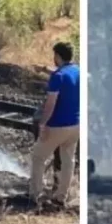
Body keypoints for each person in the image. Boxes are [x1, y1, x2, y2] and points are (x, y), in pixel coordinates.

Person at [28, 42, 80, 204]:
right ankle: (61, 197)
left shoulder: (58, 77)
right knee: (68, 161)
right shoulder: (78, 71)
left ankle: (36, 195)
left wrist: (43, 124)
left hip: (57, 126)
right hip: (76, 125)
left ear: (57, 56)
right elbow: (63, 75)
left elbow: (50, 104)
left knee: (38, 157)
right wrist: (43, 69)